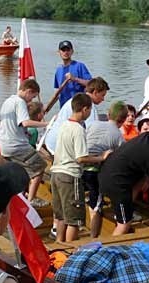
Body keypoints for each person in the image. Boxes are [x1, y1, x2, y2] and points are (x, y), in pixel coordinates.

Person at [50, 93, 111, 242]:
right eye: (90, 110)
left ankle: (59, 243)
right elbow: (81, 158)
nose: (90, 113)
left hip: (56, 173)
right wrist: (101, 157)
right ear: (84, 109)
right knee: (75, 219)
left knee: (62, 215)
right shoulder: (77, 129)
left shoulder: (64, 124)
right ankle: (71, 250)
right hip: (70, 176)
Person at [0, 78, 48, 203]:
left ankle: (19, 196)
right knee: (40, 167)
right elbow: (25, 122)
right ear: (29, 91)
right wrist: (47, 124)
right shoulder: (20, 102)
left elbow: (10, 123)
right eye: (32, 96)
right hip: (17, 146)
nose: (31, 100)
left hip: (5, 146)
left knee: (22, 172)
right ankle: (31, 200)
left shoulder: (8, 101)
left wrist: (24, 133)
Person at [84, 101, 128, 238]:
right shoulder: (118, 136)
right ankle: (93, 237)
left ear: (108, 114)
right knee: (96, 207)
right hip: (94, 171)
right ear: (123, 120)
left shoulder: (92, 124)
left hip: (80, 165)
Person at [45, 77, 109, 155]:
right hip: (59, 148)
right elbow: (91, 134)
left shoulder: (75, 99)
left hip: (50, 141)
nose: (103, 99)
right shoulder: (89, 107)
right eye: (102, 95)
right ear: (95, 92)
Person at [54, 40, 92, 108]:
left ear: (72, 51)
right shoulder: (58, 70)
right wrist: (47, 109)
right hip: (64, 108)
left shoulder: (80, 66)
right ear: (59, 52)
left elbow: (91, 84)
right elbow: (58, 93)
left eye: (68, 50)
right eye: (63, 50)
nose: (66, 52)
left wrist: (75, 79)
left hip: (79, 107)